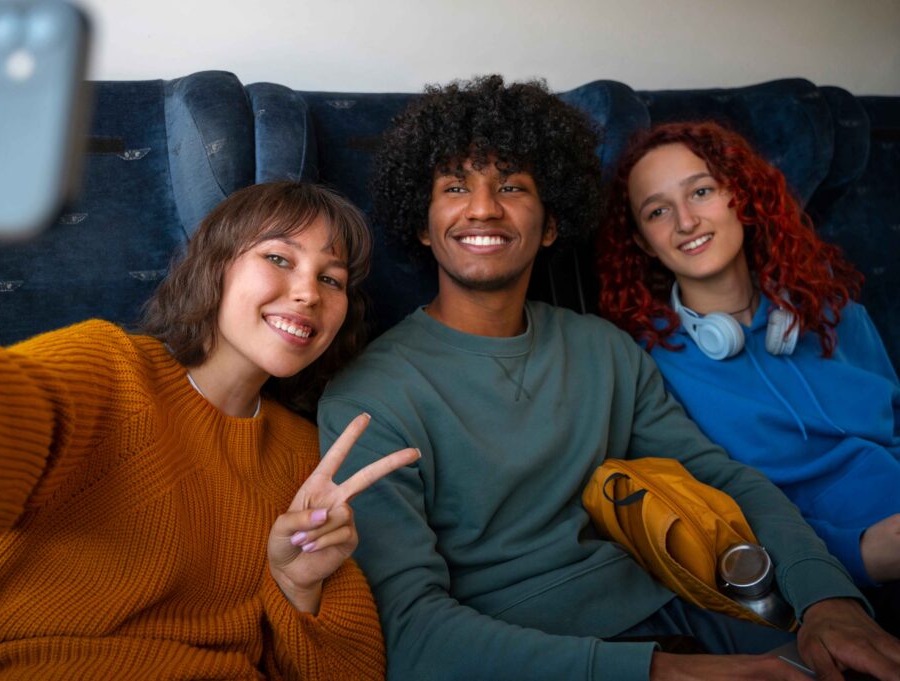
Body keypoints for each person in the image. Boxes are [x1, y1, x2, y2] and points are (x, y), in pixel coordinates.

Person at [316, 76, 900, 681]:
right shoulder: (368, 397)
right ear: (422, 221)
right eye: (456, 187)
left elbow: (726, 480)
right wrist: (662, 672)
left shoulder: (604, 350)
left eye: (512, 186)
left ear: (549, 225)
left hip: (689, 609)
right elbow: (413, 637)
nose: (484, 207)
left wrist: (829, 601)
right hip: (533, 652)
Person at [0, 181, 418, 680]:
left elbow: (346, 673)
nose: (308, 293)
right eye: (278, 258)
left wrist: (299, 585)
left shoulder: (308, 456)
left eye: (331, 279)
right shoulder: (106, 368)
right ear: (216, 266)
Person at [595, 120, 900, 633]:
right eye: (658, 211)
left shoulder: (836, 314)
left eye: (701, 191)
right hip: (838, 572)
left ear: (742, 198)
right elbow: (711, 530)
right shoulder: (646, 368)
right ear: (645, 243)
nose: (687, 221)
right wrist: (861, 554)